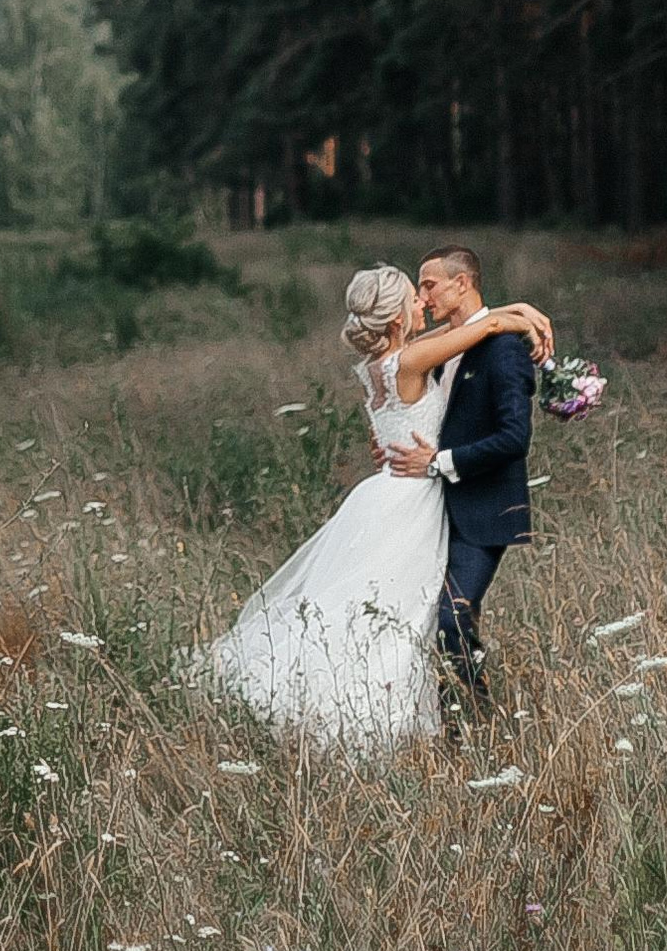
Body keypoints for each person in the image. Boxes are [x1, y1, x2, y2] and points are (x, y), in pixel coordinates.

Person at [199, 260, 553, 748]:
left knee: (378, 607)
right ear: (394, 320)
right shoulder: (410, 360)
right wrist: (525, 314)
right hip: (411, 497)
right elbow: (488, 324)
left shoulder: (377, 367)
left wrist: (518, 312)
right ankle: (395, 716)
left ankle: (432, 712)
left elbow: (481, 329)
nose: (422, 302)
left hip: (386, 491)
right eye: (415, 296)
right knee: (398, 613)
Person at [378, 245, 538, 720]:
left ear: (462, 283)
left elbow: (514, 438)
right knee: (419, 621)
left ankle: (478, 719)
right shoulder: (443, 349)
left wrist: (439, 461)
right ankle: (443, 724)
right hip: (428, 513)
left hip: (481, 511)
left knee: (453, 617)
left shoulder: (504, 346)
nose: (423, 298)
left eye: (429, 285)